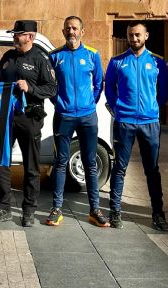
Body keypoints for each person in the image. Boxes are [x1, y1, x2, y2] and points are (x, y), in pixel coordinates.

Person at [0, 20, 57, 227]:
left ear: (30, 37)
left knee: (31, 166)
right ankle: (3, 208)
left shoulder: (41, 59)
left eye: (18, 34)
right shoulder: (7, 57)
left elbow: (52, 88)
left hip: (30, 118)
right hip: (6, 117)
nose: (14, 37)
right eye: (14, 34)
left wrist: (31, 88)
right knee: (0, 163)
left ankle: (29, 211)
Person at [105, 21, 168, 231]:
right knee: (120, 167)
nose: (134, 38)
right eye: (131, 35)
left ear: (146, 36)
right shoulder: (117, 62)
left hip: (149, 123)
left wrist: (152, 109)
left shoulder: (158, 62)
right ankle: (115, 211)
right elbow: (110, 89)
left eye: (138, 35)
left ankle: (158, 214)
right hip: (125, 122)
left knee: (152, 170)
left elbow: (163, 92)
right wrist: (118, 109)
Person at [46, 16, 109, 227]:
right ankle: (56, 209)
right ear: (63, 31)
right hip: (63, 116)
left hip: (87, 117)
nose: (71, 31)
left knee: (90, 163)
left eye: (75, 28)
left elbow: (99, 84)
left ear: (82, 31)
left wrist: (89, 104)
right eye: (68, 28)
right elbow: (50, 86)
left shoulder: (92, 54)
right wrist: (59, 103)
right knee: (60, 162)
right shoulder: (55, 56)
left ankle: (95, 210)